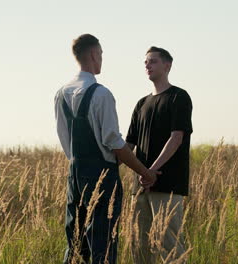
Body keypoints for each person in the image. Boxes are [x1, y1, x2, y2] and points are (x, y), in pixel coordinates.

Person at [54, 34, 160, 264]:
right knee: (103, 242)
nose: (101, 59)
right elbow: (116, 144)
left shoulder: (61, 94)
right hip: (103, 178)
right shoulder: (102, 94)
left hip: (74, 176)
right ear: (93, 54)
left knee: (75, 242)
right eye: (101, 54)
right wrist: (146, 172)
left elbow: (64, 139)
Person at [127, 46, 193, 263]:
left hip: (167, 183)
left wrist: (152, 171)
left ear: (167, 65)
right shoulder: (141, 104)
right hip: (140, 187)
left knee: (169, 244)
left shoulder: (178, 97)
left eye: (153, 61)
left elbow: (176, 138)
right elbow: (128, 144)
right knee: (139, 245)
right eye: (146, 62)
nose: (148, 65)